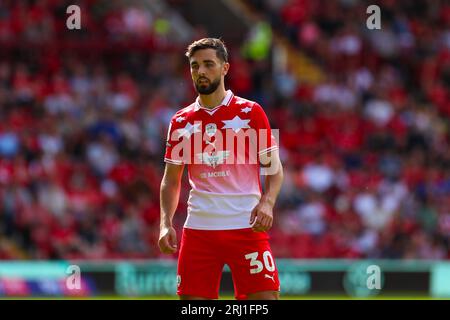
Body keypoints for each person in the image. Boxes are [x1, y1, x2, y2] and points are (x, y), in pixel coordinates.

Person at [158, 38, 284, 300]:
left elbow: (274, 168)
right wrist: (165, 223)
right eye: (194, 66)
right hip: (199, 231)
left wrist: (267, 203)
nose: (200, 71)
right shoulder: (180, 120)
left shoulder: (252, 111)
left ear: (225, 68)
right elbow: (171, 181)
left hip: (247, 227)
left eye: (208, 64)